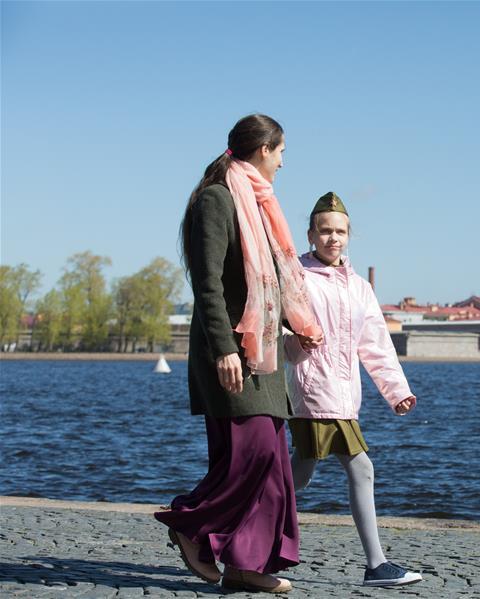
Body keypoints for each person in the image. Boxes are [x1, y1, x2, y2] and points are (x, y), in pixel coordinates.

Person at [155, 114, 322, 594]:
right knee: (248, 460)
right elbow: (208, 284)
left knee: (272, 465)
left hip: (264, 355)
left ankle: (246, 565)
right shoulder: (217, 200)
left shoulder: (261, 204)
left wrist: (297, 324)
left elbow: (268, 282)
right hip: (229, 353)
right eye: (282, 152)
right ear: (263, 149)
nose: (284, 163)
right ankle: (189, 525)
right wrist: (225, 349)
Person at [284, 192, 422, 587]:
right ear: (310, 234)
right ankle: (376, 564)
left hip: (344, 395)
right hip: (313, 392)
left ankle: (238, 532)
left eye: (340, 232)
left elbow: (375, 343)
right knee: (361, 468)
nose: (333, 238)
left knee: (300, 475)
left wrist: (396, 391)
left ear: (349, 236)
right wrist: (294, 344)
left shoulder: (359, 287)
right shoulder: (296, 275)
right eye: (325, 231)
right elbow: (278, 327)